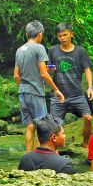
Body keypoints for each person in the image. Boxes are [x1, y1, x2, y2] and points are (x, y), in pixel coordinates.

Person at [14, 20, 65, 152]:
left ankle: (28, 156)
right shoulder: (39, 48)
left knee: (30, 126)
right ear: (40, 34)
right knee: (43, 127)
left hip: (23, 92)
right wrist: (56, 89)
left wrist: (24, 87)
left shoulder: (20, 50)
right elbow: (43, 74)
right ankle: (44, 156)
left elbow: (16, 75)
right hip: (36, 93)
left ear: (27, 34)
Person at [48, 23, 93, 147]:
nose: (62, 38)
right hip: (59, 96)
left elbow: (87, 69)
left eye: (65, 35)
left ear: (71, 35)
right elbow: (47, 71)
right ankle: (54, 148)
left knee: (88, 118)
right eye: (59, 36)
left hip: (77, 94)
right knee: (54, 125)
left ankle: (85, 143)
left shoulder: (80, 51)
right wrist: (50, 71)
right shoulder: (53, 50)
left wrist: (90, 87)